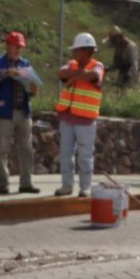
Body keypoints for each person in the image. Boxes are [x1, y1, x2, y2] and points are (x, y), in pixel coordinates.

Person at [0, 31, 40, 195]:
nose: (17, 50)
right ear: (7, 46)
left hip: (23, 111)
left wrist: (33, 87)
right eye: (15, 47)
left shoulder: (25, 63)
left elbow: (32, 89)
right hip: (3, 112)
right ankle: (3, 184)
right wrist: (7, 73)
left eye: (19, 47)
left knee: (26, 148)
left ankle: (26, 183)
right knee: (1, 149)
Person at [55, 32, 105, 197]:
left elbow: (94, 76)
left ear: (86, 50)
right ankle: (66, 186)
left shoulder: (97, 66)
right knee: (66, 154)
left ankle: (85, 187)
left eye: (76, 50)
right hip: (67, 116)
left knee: (85, 155)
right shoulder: (72, 64)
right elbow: (61, 73)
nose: (73, 53)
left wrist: (75, 76)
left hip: (85, 120)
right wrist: (78, 75)